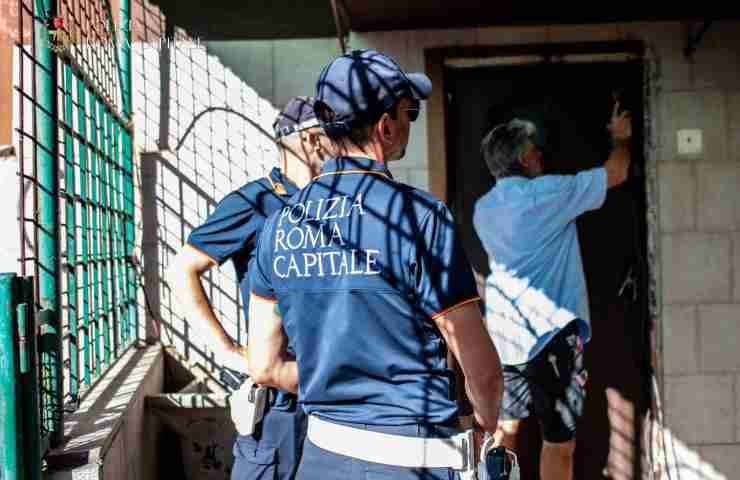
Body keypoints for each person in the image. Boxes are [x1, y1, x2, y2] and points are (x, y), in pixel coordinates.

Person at [246, 49, 504, 480]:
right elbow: (481, 369)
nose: (409, 124)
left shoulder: (278, 224)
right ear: (385, 126)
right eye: (409, 112)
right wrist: (488, 425)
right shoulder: (420, 218)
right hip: (415, 462)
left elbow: (264, 365)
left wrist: (334, 383)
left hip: (320, 459)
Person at [168, 96, 331, 480]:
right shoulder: (256, 200)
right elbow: (182, 270)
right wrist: (227, 351)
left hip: (330, 388)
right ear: (310, 139)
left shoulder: (332, 204)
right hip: (280, 402)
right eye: (334, 136)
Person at [472, 101, 632, 480]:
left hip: (505, 337)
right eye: (535, 150)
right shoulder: (549, 194)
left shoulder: (483, 208)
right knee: (558, 443)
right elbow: (617, 172)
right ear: (526, 158)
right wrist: (620, 138)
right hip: (552, 337)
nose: (540, 155)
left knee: (505, 433)